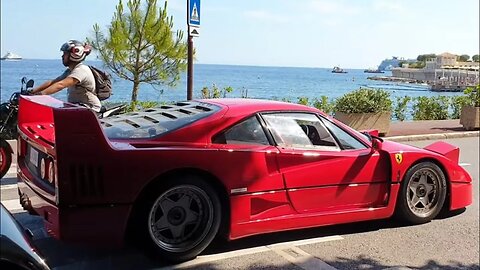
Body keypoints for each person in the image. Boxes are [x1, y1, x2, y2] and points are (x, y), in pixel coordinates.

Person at [30, 40, 101, 112]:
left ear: (75, 54)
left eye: (65, 53)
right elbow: (54, 82)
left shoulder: (81, 70)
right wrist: (32, 92)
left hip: (90, 109)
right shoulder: (70, 71)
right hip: (77, 107)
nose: (62, 56)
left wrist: (41, 94)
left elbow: (61, 85)